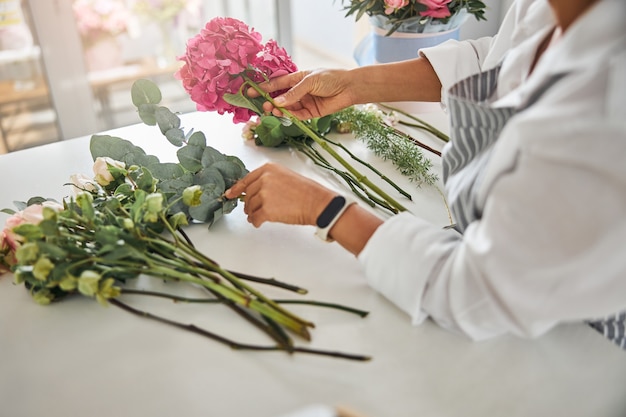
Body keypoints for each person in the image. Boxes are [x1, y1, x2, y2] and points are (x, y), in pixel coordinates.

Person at [225, 0, 626, 349]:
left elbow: (477, 292)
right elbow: (504, 59)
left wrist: (326, 209)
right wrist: (352, 84)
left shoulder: (607, 110)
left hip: (583, 340)